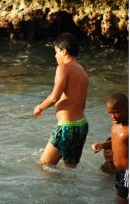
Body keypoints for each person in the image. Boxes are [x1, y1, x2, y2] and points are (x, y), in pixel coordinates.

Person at [33, 32, 89, 168]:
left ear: (64, 51)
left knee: (44, 166)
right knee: (70, 170)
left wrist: (39, 107)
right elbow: (82, 104)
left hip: (67, 127)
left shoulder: (63, 67)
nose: (55, 56)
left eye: (56, 52)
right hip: (81, 126)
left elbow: (54, 97)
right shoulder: (83, 71)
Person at [92, 93, 128, 204]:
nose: (113, 116)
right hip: (119, 171)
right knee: (119, 202)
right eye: (110, 113)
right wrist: (102, 145)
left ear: (127, 110)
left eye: (116, 112)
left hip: (128, 172)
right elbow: (116, 142)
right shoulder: (115, 125)